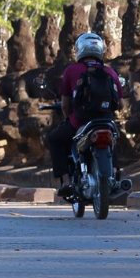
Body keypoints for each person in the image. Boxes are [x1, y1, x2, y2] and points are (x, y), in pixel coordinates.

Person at [48, 33, 123, 200]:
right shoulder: (110, 71)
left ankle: (66, 181)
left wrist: (70, 118)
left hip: (81, 120)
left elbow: (66, 104)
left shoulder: (71, 70)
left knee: (54, 139)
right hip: (107, 120)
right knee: (115, 139)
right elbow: (121, 104)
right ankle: (116, 174)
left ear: (79, 50)